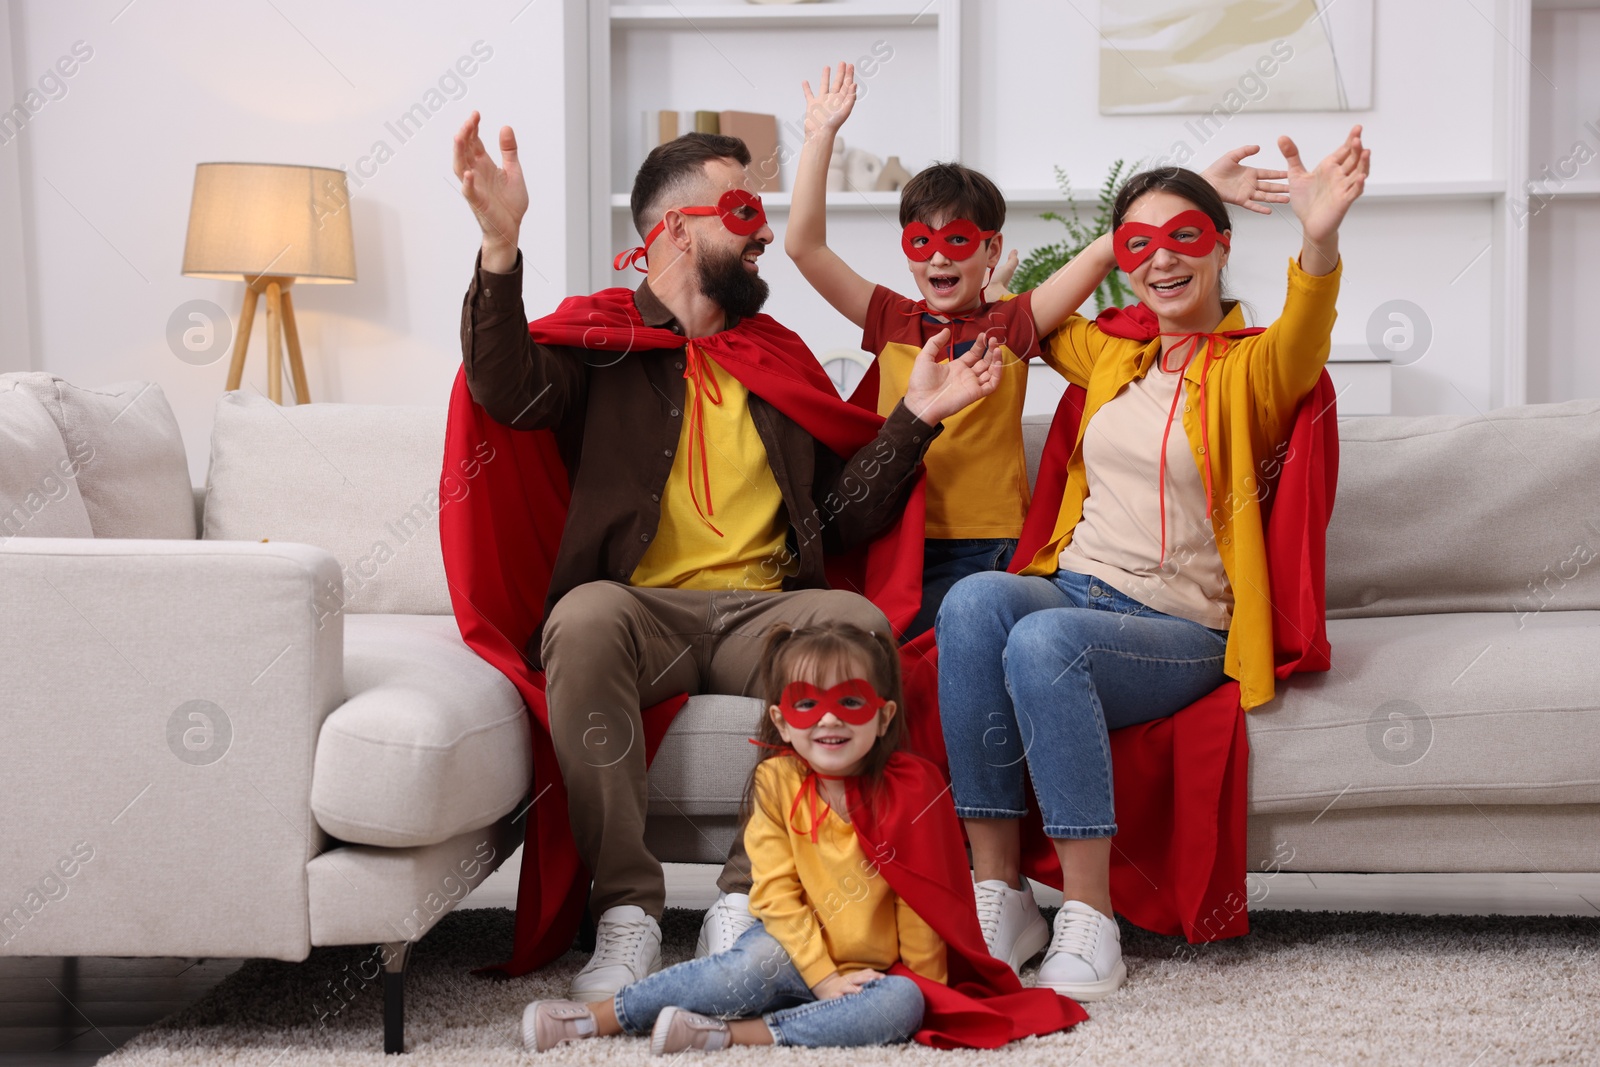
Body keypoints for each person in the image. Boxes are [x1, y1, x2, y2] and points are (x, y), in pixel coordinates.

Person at [450, 113, 1003, 1000]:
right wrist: (499, 246)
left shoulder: (775, 353)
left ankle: (748, 900)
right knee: (582, 619)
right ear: (675, 229)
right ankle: (627, 910)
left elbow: (844, 518)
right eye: (742, 211)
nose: (762, 236)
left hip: (766, 610)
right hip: (643, 610)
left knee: (852, 623)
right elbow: (504, 388)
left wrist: (916, 420)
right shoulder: (596, 342)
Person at [935, 128, 1369, 1000]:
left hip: (1177, 625)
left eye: (1184, 238)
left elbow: (1307, 328)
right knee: (975, 603)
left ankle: (1088, 920)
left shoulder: (1253, 368)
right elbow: (1024, 319)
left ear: (1222, 247)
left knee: (1043, 644)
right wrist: (1122, 226)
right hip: (1074, 584)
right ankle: (1000, 891)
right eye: (1141, 246)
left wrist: (1317, 238)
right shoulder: (1113, 355)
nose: (1160, 262)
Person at [786, 62, 1294, 639]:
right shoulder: (890, 318)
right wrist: (819, 136)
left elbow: (1110, 249)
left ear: (991, 247)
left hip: (990, 547)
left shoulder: (1014, 324)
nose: (938, 259)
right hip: (898, 537)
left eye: (957, 242)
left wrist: (1191, 197)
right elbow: (804, 246)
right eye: (920, 243)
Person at [521, 622, 1085, 1054]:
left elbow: (925, 901)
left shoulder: (914, 790)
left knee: (905, 1006)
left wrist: (919, 982)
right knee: (743, 967)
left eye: (851, 703)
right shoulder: (777, 781)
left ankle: (736, 1036)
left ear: (884, 717)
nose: (828, 721)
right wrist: (822, 978)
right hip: (794, 949)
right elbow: (776, 896)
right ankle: (597, 1018)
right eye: (807, 705)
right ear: (783, 721)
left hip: (881, 969)